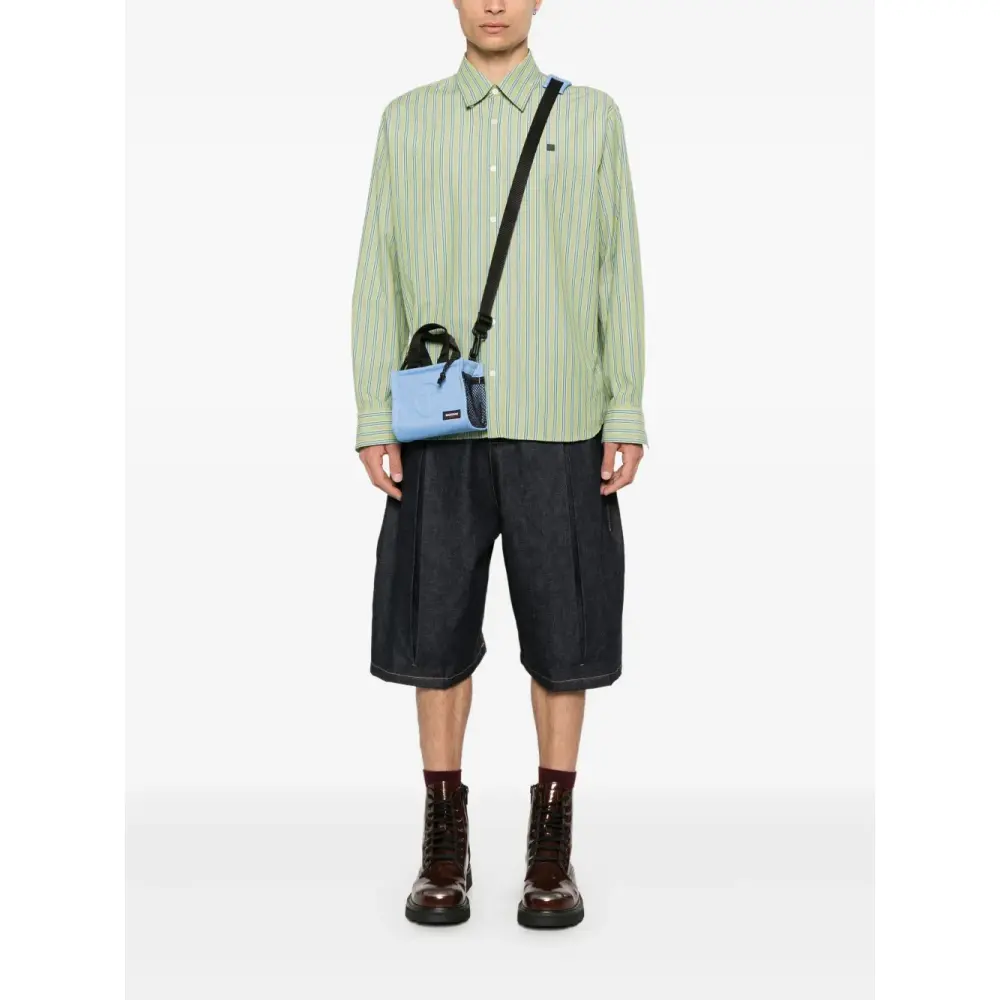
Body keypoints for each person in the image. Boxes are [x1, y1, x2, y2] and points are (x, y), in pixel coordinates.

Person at [350, 0, 646, 929]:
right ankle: (445, 841)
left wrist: (625, 404)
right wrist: (372, 413)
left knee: (565, 641)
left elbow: (617, 268)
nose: (493, 3)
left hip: (562, 420)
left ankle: (550, 846)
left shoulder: (590, 117)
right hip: (439, 426)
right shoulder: (407, 121)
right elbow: (379, 269)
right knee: (433, 638)